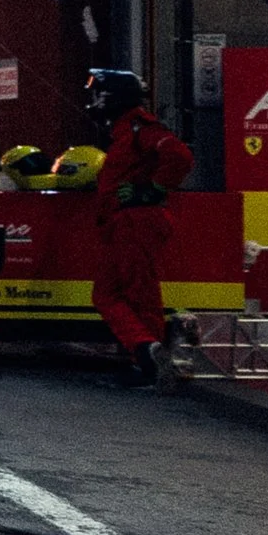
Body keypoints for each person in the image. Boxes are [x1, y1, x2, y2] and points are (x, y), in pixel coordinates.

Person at [88, 66, 192, 385]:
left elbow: (180, 157)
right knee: (105, 294)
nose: (94, 101)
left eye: (98, 94)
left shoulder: (140, 127)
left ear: (113, 97)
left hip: (137, 222)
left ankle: (150, 367)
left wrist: (153, 189)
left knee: (140, 295)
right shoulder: (123, 130)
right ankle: (146, 349)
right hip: (122, 224)